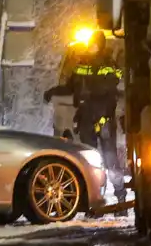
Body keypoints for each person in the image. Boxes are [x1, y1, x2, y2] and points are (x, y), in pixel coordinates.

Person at [43, 30, 127, 209]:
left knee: (111, 160)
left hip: (103, 119)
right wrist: (54, 91)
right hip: (86, 119)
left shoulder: (108, 64)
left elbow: (110, 87)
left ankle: (121, 201)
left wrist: (90, 92)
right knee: (90, 162)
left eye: (95, 43)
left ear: (101, 45)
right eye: (91, 43)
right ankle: (95, 202)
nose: (92, 47)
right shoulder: (81, 64)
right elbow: (70, 87)